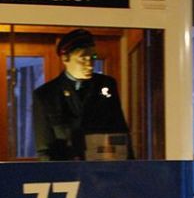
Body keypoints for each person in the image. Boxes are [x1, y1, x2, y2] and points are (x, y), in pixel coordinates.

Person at [33, 28, 130, 160]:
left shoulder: (106, 85)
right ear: (65, 58)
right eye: (83, 58)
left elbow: (120, 131)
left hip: (103, 169)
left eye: (93, 58)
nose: (90, 64)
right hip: (67, 172)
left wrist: (129, 170)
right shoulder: (46, 95)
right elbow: (44, 150)